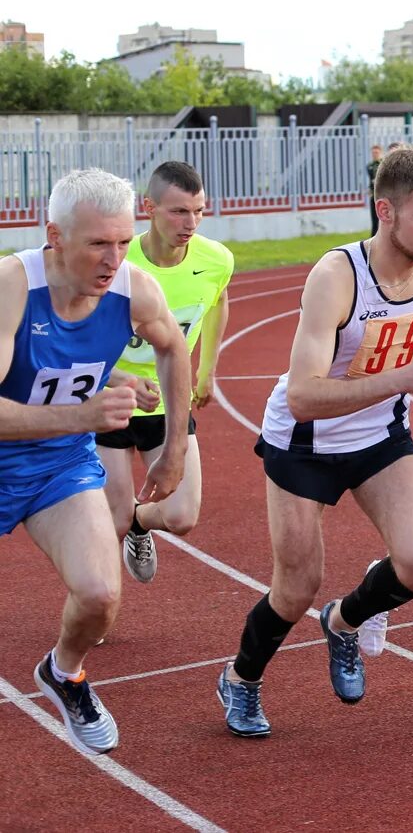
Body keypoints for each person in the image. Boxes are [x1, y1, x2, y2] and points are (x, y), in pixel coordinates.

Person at [216, 147, 413, 738]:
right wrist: (407, 379)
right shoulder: (337, 277)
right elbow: (304, 395)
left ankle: (345, 621)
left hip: (380, 434)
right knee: (294, 586)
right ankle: (242, 679)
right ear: (385, 211)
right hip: (304, 443)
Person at [3, 168, 191, 754]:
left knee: (100, 596)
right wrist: (85, 413)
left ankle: (64, 671)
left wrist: (174, 449)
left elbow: (173, 347)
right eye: (97, 244)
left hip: (57, 466)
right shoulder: (12, 285)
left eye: (123, 240)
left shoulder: (135, 288)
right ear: (54, 235)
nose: (114, 258)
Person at [96, 161, 233, 586]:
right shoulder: (116, 260)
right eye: (178, 211)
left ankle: (140, 523)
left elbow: (218, 302)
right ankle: (94, 609)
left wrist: (207, 369)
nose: (190, 222)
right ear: (149, 207)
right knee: (108, 522)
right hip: (109, 400)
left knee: (181, 516)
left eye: (199, 211)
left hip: (168, 399)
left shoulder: (216, 260)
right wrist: (116, 381)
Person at [366, 145, 383, 236]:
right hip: (373, 194)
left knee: (381, 216)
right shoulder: (369, 166)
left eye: (376, 153)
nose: (375, 154)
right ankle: (373, 235)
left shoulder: (383, 164)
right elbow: (371, 180)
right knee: (374, 217)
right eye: (373, 153)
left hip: (381, 194)